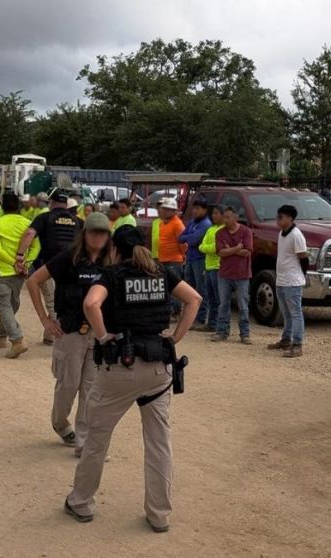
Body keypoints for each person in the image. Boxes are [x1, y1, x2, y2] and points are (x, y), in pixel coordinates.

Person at [63, 225, 201, 532]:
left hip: (119, 368)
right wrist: (175, 337)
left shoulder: (111, 275)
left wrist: (102, 337)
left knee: (97, 439)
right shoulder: (161, 273)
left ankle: (81, 502)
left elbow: (91, 304)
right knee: (159, 443)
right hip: (158, 369)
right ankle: (159, 514)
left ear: (115, 249)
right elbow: (194, 299)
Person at [26, 212, 112, 451]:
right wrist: (45, 319)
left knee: (91, 389)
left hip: (98, 334)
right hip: (71, 333)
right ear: (85, 234)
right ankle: (60, 424)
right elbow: (33, 281)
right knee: (68, 385)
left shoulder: (111, 262)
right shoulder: (68, 258)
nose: (98, 237)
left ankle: (83, 441)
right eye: (94, 232)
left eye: (103, 233)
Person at [16, 189, 81, 345]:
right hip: (72, 267)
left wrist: (20, 255)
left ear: (51, 202)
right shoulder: (78, 221)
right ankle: (51, 335)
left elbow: (29, 234)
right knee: (67, 299)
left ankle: (55, 334)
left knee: (52, 301)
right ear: (66, 204)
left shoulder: (45, 217)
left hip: (48, 266)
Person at [0, 193, 39, 359]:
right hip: (19, 273)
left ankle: (17, 340)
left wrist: (13, 263)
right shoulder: (28, 224)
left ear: (2, 207)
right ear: (19, 207)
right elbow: (36, 247)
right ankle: (0, 334)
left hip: (1, 271)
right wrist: (25, 264)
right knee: (12, 306)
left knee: (5, 307)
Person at [266, 204, 308, 358]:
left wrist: (302, 276)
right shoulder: (282, 233)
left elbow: (303, 257)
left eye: (280, 217)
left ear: (290, 218)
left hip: (292, 281)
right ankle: (286, 339)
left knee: (295, 313)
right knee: (286, 313)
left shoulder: (296, 235)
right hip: (282, 279)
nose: (277, 220)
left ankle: (297, 344)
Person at [212, 206, 253, 344]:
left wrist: (229, 249)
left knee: (243, 305)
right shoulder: (219, 233)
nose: (225, 220)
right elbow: (220, 252)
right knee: (223, 304)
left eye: (228, 217)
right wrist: (237, 248)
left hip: (242, 275)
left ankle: (245, 334)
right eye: (224, 217)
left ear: (236, 218)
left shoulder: (246, 231)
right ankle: (222, 332)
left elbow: (247, 251)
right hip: (224, 274)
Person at [179, 199, 212, 328]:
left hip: (200, 260)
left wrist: (189, 237)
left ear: (204, 210)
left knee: (201, 290)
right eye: (194, 208)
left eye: (198, 209)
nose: (194, 211)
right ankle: (189, 317)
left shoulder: (206, 224)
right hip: (190, 259)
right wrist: (190, 237)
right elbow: (180, 238)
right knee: (189, 289)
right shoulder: (192, 222)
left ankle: (200, 318)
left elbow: (193, 241)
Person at [151, 197, 186, 316]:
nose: (162, 211)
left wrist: (182, 256)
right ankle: (169, 310)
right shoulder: (162, 223)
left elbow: (183, 243)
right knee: (166, 286)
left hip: (173, 260)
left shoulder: (177, 224)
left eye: (166, 209)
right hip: (163, 259)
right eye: (163, 209)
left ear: (173, 211)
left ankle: (176, 311)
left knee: (174, 287)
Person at [196, 205, 224, 332]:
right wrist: (206, 248)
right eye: (213, 213)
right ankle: (211, 324)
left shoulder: (223, 230)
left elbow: (216, 247)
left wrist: (206, 248)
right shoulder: (211, 229)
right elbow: (201, 245)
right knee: (211, 298)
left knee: (219, 299)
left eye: (217, 213)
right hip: (208, 266)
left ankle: (219, 325)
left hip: (218, 267)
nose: (214, 215)